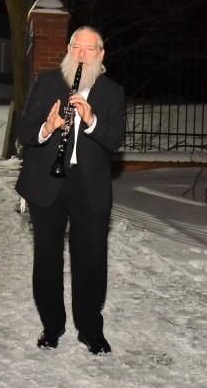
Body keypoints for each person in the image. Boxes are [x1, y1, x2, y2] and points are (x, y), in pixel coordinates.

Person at [15, 26, 126, 355]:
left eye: (89, 49)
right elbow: (24, 131)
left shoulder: (112, 92)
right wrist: (47, 128)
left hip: (88, 185)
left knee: (90, 259)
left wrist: (90, 121)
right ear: (68, 49)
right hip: (47, 182)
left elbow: (114, 140)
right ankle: (52, 326)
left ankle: (90, 329)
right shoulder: (49, 82)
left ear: (101, 55)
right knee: (47, 257)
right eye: (76, 47)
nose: (80, 54)